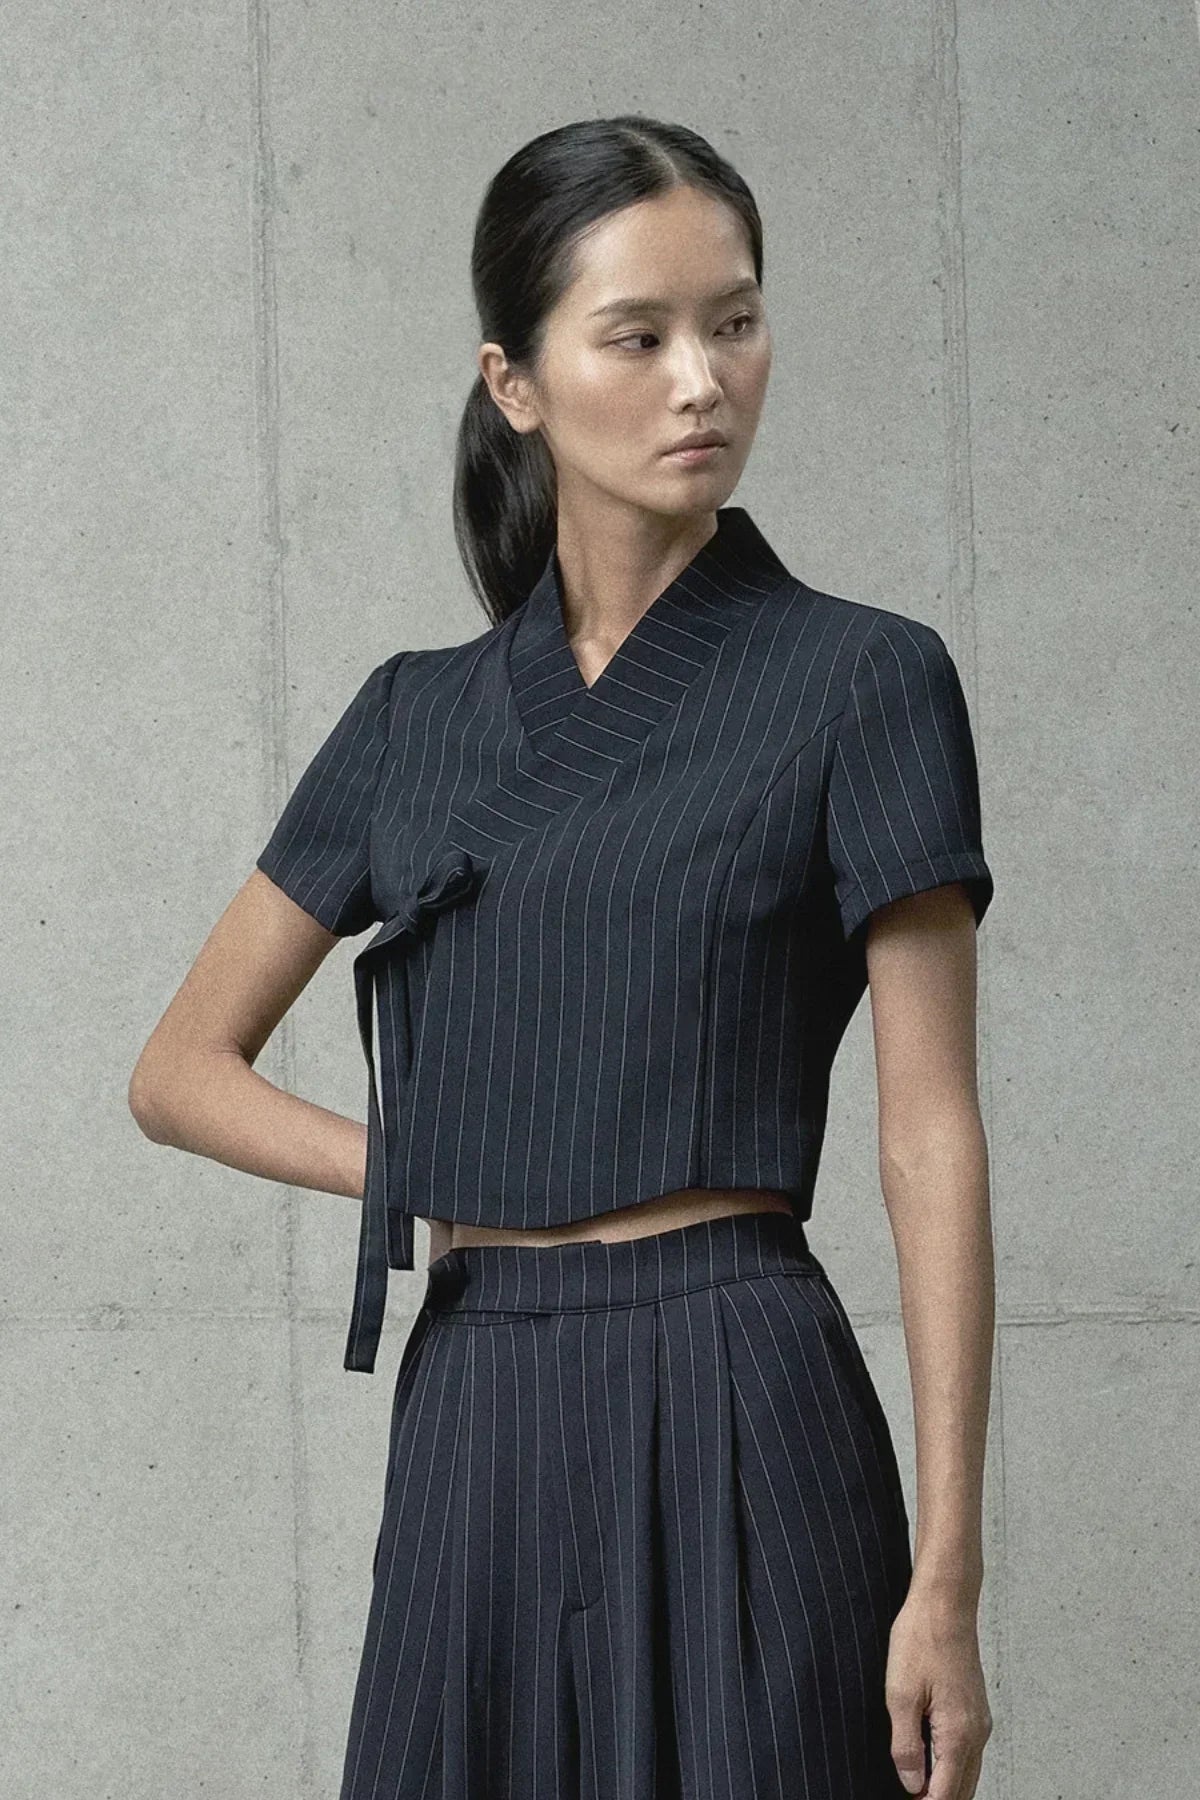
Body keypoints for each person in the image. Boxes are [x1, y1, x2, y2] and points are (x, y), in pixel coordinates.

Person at [129, 114, 996, 1800]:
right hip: (482, 1400)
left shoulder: (864, 681)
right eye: (641, 336)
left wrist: (949, 1576)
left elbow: (929, 1132)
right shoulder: (412, 719)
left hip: (742, 1378)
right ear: (515, 383)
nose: (703, 381)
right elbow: (177, 1074)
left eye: (735, 323)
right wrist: (430, 1163)